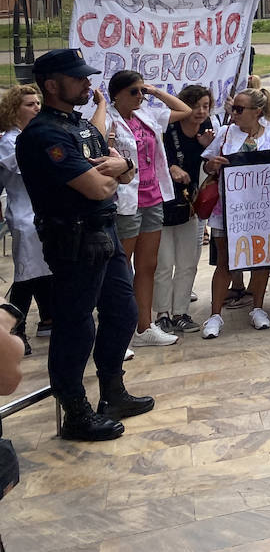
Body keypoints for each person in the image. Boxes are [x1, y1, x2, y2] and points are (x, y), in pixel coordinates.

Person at [16, 48, 147, 440]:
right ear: (52, 85)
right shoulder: (45, 134)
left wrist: (121, 168)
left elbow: (121, 171)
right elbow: (95, 187)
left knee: (123, 312)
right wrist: (115, 173)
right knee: (75, 326)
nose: (88, 82)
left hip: (103, 231)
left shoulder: (81, 126)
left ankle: (113, 391)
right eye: (78, 78)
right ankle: (75, 411)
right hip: (72, 238)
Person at [201, 86, 270, 339]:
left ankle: (258, 307)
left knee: (261, 259)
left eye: (239, 109)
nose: (234, 113)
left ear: (257, 112)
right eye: (233, 108)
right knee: (224, 260)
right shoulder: (225, 134)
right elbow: (207, 161)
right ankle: (215, 315)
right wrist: (211, 164)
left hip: (263, 210)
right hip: (228, 207)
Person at [107, 71, 192, 348]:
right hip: (125, 202)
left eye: (141, 91)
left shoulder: (147, 115)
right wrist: (99, 106)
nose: (140, 97)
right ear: (117, 93)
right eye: (134, 91)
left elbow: (184, 109)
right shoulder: (108, 120)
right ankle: (117, 330)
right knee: (122, 267)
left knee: (148, 265)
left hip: (153, 197)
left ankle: (144, 327)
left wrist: (153, 91)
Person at [153, 83, 214, 335]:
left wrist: (207, 148)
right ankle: (162, 313)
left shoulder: (209, 132)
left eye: (205, 106)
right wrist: (170, 168)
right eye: (196, 106)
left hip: (191, 206)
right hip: (163, 204)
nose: (200, 112)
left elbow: (209, 171)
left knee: (188, 261)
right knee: (164, 262)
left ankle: (181, 312)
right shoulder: (167, 129)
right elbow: (154, 158)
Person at [0, 85, 52, 353]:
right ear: (14, 110)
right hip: (24, 214)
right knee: (26, 273)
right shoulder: (9, 141)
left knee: (41, 269)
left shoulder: (30, 136)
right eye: (30, 104)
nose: (37, 108)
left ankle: (47, 318)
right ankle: (14, 328)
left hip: (40, 212)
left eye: (37, 103)